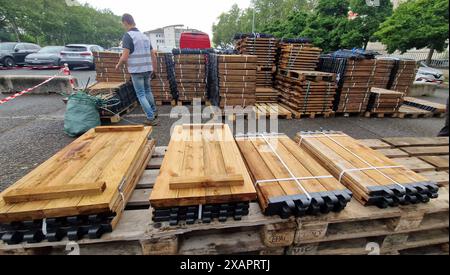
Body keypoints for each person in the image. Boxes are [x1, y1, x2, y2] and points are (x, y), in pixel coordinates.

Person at [116, 13, 158, 126]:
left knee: (140, 94)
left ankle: (150, 117)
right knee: (148, 91)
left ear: (125, 22)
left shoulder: (128, 36)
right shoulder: (145, 36)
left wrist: (118, 65)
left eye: (123, 24)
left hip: (136, 70)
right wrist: (154, 69)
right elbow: (153, 54)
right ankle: (154, 111)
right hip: (147, 69)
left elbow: (124, 57)